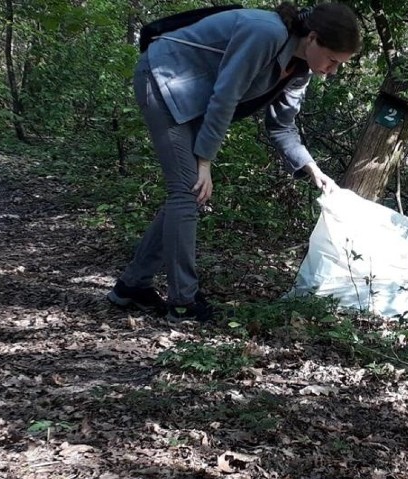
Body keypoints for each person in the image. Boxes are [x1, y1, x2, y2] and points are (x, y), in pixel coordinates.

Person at [106, 2, 362, 324]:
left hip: (193, 96)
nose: (333, 70)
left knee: (187, 195)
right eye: (333, 60)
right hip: (163, 78)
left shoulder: (299, 72)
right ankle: (182, 303)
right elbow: (226, 95)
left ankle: (131, 286)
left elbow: (282, 125)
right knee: (189, 191)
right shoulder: (265, 32)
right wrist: (204, 161)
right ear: (312, 38)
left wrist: (311, 168)